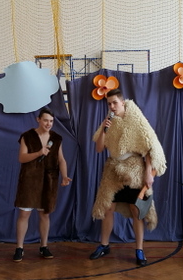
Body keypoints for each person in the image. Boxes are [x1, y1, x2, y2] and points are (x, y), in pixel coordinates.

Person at [89, 89, 166, 266]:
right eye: (109, 104)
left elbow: (149, 147)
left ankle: (139, 249)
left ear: (122, 102)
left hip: (134, 169)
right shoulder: (109, 122)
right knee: (107, 208)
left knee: (136, 210)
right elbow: (99, 148)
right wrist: (104, 130)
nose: (112, 106)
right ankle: (104, 245)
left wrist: (148, 173)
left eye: (115, 102)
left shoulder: (136, 119)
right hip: (113, 169)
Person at [13, 107, 71, 262]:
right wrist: (39, 153)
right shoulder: (27, 136)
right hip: (29, 180)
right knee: (24, 214)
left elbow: (61, 160)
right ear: (38, 120)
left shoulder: (56, 138)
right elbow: (22, 158)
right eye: (45, 120)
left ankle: (44, 246)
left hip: (49, 181)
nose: (48, 124)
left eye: (51, 121)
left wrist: (65, 176)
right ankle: (19, 248)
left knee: (45, 214)